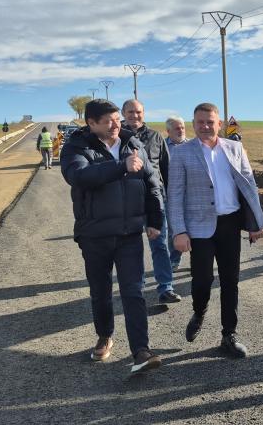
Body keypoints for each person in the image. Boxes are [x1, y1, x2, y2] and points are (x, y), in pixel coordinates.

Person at [60, 99, 164, 374]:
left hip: (129, 234)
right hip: (94, 235)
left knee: (134, 291)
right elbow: (79, 176)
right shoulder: (76, 147)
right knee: (101, 291)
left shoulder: (133, 143)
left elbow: (151, 183)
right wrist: (121, 166)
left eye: (117, 119)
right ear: (91, 123)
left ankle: (141, 350)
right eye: (107, 121)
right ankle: (105, 335)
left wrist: (155, 219)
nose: (115, 125)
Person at [168, 102, 263, 358]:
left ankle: (229, 334)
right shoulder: (181, 153)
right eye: (200, 122)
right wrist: (178, 231)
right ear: (193, 124)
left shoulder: (235, 148)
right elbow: (174, 195)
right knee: (202, 280)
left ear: (219, 124)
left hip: (229, 224)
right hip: (199, 227)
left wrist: (255, 224)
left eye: (210, 122)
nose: (205, 126)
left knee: (230, 280)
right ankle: (199, 311)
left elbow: (249, 186)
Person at [121, 99, 181, 304]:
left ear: (143, 113)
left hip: (155, 201)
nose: (134, 116)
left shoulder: (156, 137)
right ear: (123, 113)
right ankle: (136, 289)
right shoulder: (116, 137)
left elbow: (167, 170)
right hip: (127, 202)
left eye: (138, 112)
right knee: (131, 247)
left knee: (160, 245)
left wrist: (172, 199)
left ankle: (166, 288)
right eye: (130, 112)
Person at [164, 116, 188, 270]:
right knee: (174, 228)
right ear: (168, 131)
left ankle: (197, 260)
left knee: (195, 227)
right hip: (170, 195)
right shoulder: (162, 147)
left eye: (182, 127)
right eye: (177, 128)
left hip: (191, 194)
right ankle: (174, 258)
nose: (181, 131)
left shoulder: (193, 145)